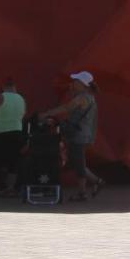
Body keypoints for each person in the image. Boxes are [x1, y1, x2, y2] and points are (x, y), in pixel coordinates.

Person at [38, 71, 103, 201]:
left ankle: (91, 186)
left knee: (77, 162)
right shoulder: (87, 96)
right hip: (83, 133)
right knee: (77, 161)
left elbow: (66, 108)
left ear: (82, 84)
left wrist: (46, 114)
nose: (73, 83)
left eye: (76, 81)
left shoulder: (82, 97)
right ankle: (89, 187)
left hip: (78, 134)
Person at [0, 78, 26, 197]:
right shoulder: (21, 99)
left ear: (3, 86)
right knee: (13, 163)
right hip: (16, 132)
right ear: (15, 86)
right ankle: (10, 189)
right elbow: (22, 116)